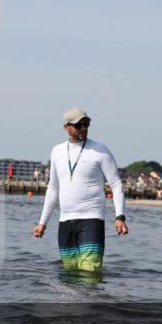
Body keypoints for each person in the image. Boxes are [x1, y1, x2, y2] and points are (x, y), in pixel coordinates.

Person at [32, 108, 128, 272]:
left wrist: (120, 216)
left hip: (91, 219)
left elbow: (116, 184)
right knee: (69, 274)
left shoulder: (100, 150)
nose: (83, 128)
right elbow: (53, 189)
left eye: (86, 124)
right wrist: (42, 223)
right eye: (78, 125)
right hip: (65, 222)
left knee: (89, 273)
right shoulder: (57, 151)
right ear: (66, 127)